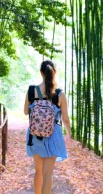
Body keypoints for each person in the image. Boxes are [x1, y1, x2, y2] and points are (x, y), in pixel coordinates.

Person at [23, 60, 72, 194]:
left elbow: (26, 112)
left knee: (38, 171)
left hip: (35, 135)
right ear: (54, 73)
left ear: (41, 73)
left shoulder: (32, 90)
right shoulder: (60, 94)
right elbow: (65, 119)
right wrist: (69, 135)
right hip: (53, 135)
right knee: (48, 173)